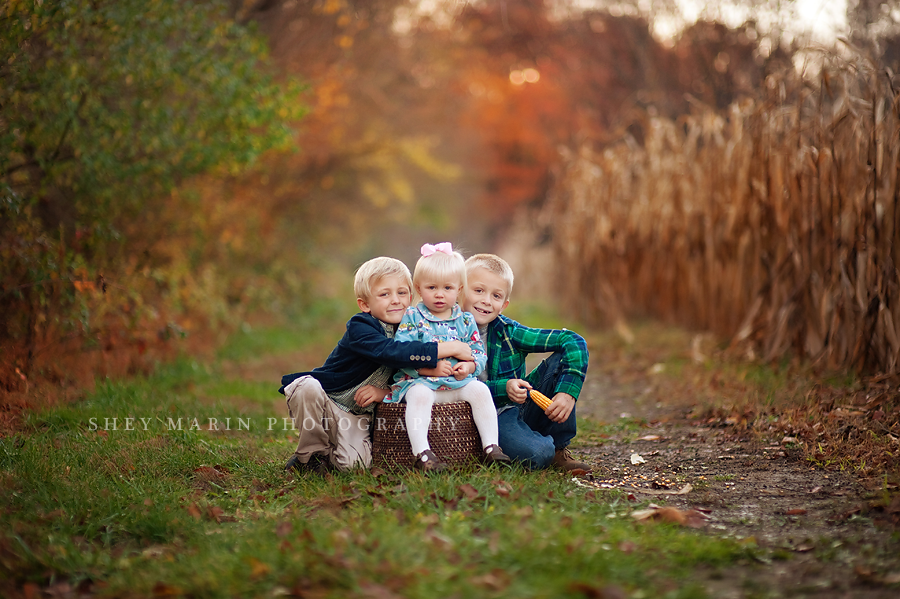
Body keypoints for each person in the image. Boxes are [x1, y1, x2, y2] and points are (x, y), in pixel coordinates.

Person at [278, 256, 474, 475]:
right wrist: (449, 348)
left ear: (411, 296)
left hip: (356, 415)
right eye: (384, 294)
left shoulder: (413, 328)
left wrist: (384, 392)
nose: (395, 300)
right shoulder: (361, 326)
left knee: (354, 465)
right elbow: (390, 352)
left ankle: (330, 452)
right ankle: (310, 455)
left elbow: (408, 377)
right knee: (307, 387)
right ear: (365, 305)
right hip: (329, 400)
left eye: (401, 292)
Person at [385, 242, 510, 472]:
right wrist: (425, 370)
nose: (440, 294)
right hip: (423, 382)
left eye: (448, 288)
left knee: (480, 390)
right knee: (419, 396)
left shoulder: (464, 320)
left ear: (459, 290)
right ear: (419, 289)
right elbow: (403, 353)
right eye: (432, 287)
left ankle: (491, 446)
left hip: (457, 383)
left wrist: (471, 367)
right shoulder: (413, 316)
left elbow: (478, 351)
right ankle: (422, 453)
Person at [462, 253, 591, 472]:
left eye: (496, 296)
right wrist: (504, 387)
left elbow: (573, 340)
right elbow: (459, 384)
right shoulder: (447, 331)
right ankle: (522, 444)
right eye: (478, 290)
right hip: (481, 414)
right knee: (537, 454)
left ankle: (559, 448)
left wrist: (567, 393)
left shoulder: (509, 332)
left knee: (562, 358)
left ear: (504, 304)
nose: (486, 300)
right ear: (459, 290)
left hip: (512, 409)